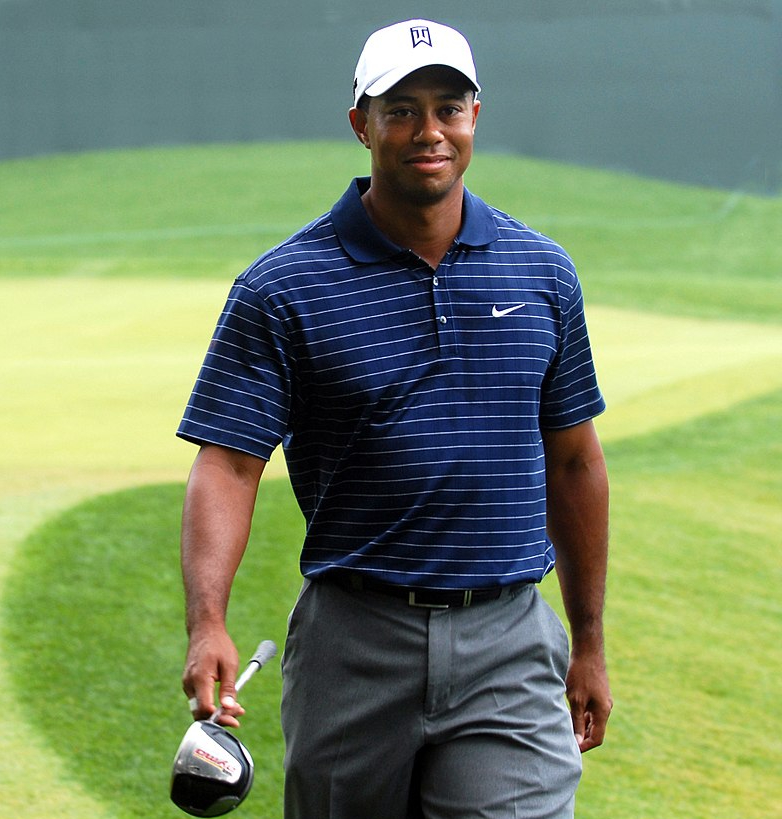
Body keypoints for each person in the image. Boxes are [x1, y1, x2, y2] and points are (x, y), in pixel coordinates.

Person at [177, 18, 612, 819]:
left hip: (509, 638)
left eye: (449, 107)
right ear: (361, 124)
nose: (429, 131)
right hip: (354, 639)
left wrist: (588, 642)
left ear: (475, 117)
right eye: (401, 109)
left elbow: (576, 462)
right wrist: (208, 623)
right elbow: (229, 464)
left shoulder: (543, 270)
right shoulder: (283, 287)